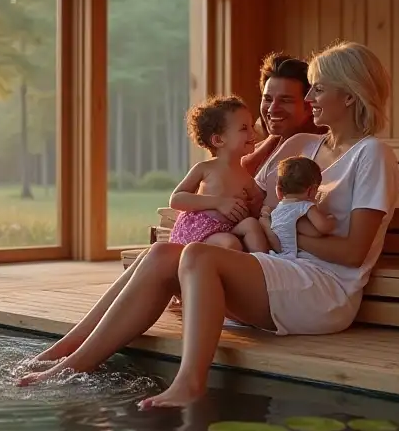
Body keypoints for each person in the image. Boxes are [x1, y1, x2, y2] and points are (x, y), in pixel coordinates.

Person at [24, 42, 399, 412]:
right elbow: (247, 193)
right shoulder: (302, 144)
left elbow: (353, 254)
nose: (310, 96)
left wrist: (286, 231)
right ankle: (66, 352)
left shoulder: (372, 155)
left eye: (319, 88)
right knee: (160, 253)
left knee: (199, 257)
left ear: (349, 96)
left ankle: (189, 383)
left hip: (324, 288)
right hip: (275, 266)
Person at [22, 51, 317, 376]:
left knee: (161, 255)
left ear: (310, 102)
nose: (272, 109)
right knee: (155, 254)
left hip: (262, 273)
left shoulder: (308, 156)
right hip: (225, 256)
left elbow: (282, 216)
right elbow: (224, 185)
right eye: (267, 98)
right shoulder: (266, 149)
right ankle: (66, 349)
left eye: (285, 100)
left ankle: (72, 364)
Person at [167, 95, 269, 253]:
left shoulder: (246, 177)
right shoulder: (205, 168)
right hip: (200, 233)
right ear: (219, 140)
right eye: (244, 128)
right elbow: (176, 200)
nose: (252, 133)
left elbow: (259, 203)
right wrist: (219, 202)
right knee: (231, 243)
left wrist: (255, 207)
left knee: (251, 225)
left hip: (227, 229)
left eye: (251, 126)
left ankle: (265, 265)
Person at [261, 156, 336, 258]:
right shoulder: (306, 206)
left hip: (276, 254)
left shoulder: (278, 209)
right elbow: (323, 227)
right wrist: (331, 220)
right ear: (311, 191)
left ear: (279, 191)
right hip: (291, 257)